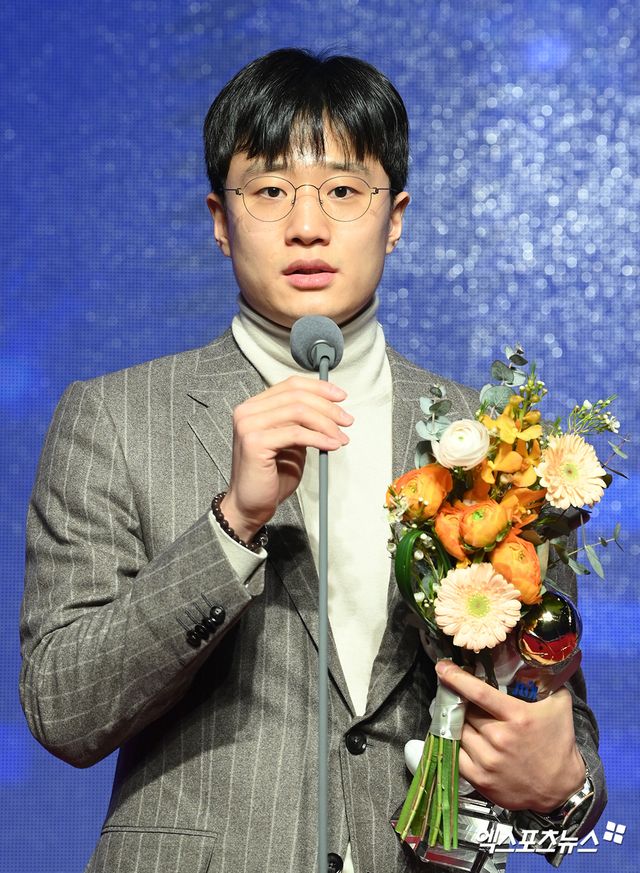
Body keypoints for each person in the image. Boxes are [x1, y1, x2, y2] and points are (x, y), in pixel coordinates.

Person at [19, 49, 605, 873]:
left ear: (394, 216)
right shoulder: (115, 418)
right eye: (268, 191)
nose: (307, 225)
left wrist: (565, 789)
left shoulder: (494, 444)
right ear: (219, 219)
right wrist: (232, 524)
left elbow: (564, 752)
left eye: (343, 190)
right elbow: (63, 709)